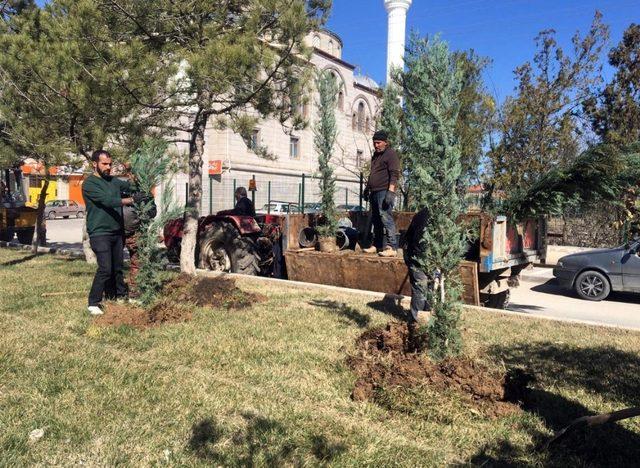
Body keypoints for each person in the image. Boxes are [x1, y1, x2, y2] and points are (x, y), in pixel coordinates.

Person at [82, 150, 134, 315]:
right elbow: (108, 201)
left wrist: (133, 173)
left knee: (117, 267)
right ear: (94, 164)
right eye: (104, 164)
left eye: (110, 164)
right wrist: (131, 200)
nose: (108, 167)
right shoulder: (90, 184)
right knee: (105, 268)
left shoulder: (114, 181)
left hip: (117, 231)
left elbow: (131, 185)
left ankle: (119, 295)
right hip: (99, 232)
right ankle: (93, 302)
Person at [363, 130, 400, 257]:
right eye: (374, 143)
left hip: (384, 191)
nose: (376, 145)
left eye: (378, 143)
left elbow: (394, 174)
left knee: (386, 217)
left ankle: (392, 247)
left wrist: (391, 191)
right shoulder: (376, 156)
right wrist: (367, 189)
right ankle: (378, 245)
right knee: (376, 220)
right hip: (374, 191)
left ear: (385, 142)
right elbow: (372, 173)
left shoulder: (391, 154)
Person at [121, 163, 156, 298]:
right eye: (132, 174)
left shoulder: (145, 192)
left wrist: (145, 211)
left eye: (137, 174)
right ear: (128, 174)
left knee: (138, 263)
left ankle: (135, 292)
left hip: (137, 233)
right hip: (117, 232)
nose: (134, 177)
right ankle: (115, 291)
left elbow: (153, 211)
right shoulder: (120, 188)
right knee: (113, 263)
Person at [403, 207, 431, 324]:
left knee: (432, 288)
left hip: (429, 257)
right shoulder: (424, 217)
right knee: (421, 287)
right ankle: (416, 322)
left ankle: (428, 318)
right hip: (416, 256)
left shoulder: (438, 217)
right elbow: (419, 245)